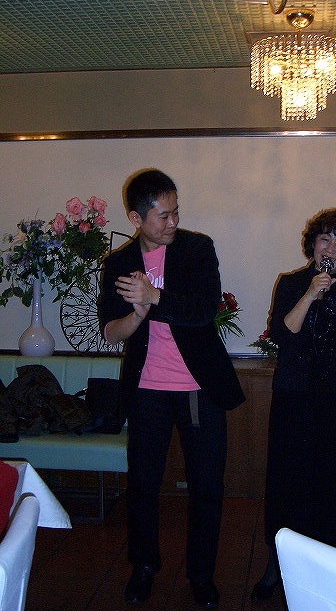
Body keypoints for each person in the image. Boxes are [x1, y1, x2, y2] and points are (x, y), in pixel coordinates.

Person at [98, 168, 245, 609]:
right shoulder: (118, 264)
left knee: (206, 486)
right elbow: (110, 332)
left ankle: (201, 575)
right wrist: (137, 314)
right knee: (143, 485)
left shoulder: (197, 249)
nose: (173, 222)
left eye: (176, 211)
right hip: (146, 389)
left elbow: (203, 310)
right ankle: (144, 567)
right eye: (163, 216)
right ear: (136, 218)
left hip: (197, 387)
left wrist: (154, 296)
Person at [251, 208, 336, 602]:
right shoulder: (292, 283)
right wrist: (310, 293)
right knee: (287, 485)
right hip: (295, 402)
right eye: (325, 239)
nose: (331, 248)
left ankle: (332, 566)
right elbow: (283, 334)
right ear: (313, 244)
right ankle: (277, 564)